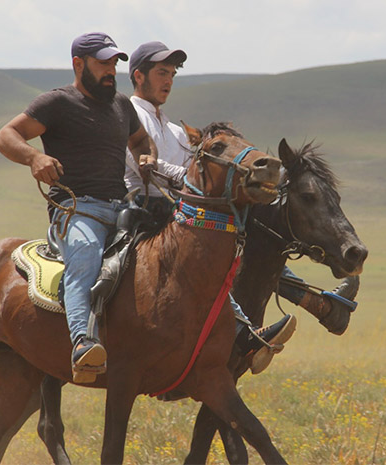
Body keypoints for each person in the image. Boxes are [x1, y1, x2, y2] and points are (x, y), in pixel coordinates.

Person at [0, 32, 161, 381]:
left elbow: (140, 139)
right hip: (77, 211)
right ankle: (83, 343)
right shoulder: (57, 103)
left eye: (114, 63)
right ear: (78, 64)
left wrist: (147, 154)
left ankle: (239, 329)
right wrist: (34, 156)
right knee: (84, 252)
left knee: (180, 242)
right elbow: (6, 136)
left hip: (122, 208)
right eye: (103, 62)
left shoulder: (121, 105)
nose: (111, 70)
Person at [124, 41, 296, 374]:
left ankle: (303, 304)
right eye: (162, 72)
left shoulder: (173, 129)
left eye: (172, 74)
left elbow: (199, 168)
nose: (169, 80)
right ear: (138, 75)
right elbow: (142, 166)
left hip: (180, 211)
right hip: (148, 209)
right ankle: (245, 333)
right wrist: (188, 181)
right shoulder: (129, 117)